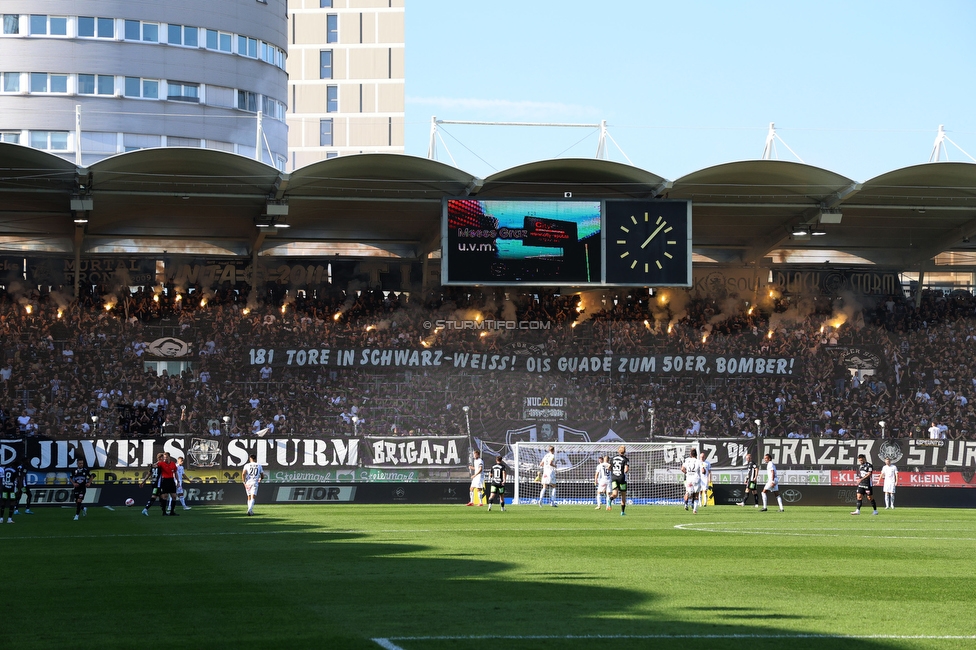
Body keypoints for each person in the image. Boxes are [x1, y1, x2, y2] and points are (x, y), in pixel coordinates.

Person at [607, 445, 629, 516]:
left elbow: (609, 468)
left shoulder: (613, 458)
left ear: (618, 451)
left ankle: (610, 499)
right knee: (623, 495)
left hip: (614, 478)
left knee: (615, 494)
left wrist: (613, 470)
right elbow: (626, 470)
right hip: (621, 478)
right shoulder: (625, 459)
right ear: (624, 451)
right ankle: (622, 512)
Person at [157, 452, 179, 516]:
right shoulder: (161, 463)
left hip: (171, 480)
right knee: (165, 496)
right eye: (164, 457)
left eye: (166, 457)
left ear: (169, 457)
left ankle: (172, 512)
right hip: (165, 481)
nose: (165, 459)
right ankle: (164, 512)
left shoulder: (173, 464)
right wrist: (152, 465)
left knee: (174, 496)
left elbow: (175, 472)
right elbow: (156, 465)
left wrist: (178, 482)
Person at [682, 448, 701, 514]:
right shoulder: (698, 461)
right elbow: (703, 470)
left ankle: (686, 504)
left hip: (689, 479)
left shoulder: (687, 461)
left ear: (690, 454)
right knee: (696, 495)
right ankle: (694, 510)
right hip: (696, 479)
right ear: (696, 454)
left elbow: (682, 469)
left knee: (687, 492)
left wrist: (687, 473)